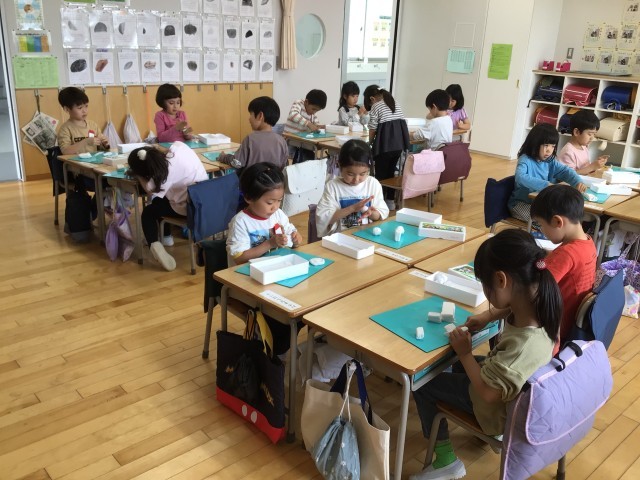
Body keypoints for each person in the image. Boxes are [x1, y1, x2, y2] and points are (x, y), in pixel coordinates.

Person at [410, 229, 559, 480]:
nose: (487, 293)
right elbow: (510, 307)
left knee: (424, 383)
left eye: (486, 287)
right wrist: (488, 315)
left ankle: (446, 461)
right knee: (456, 367)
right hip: (513, 390)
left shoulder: (522, 346)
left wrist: (465, 353)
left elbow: (488, 393)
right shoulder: (541, 298)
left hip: (494, 408)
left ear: (501, 280)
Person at [226, 162, 303, 355]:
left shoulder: (278, 215)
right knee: (279, 316)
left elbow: (293, 239)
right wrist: (269, 243)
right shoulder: (241, 222)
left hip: (276, 275)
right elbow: (240, 259)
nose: (275, 207)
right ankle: (274, 351)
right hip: (248, 281)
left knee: (302, 304)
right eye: (270, 202)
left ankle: (283, 346)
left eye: (279, 201)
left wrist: (296, 239)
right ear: (249, 198)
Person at [531, 185, 597, 343]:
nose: (541, 231)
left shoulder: (566, 254)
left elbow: (534, 292)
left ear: (557, 221)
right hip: (572, 324)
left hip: (553, 329)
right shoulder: (588, 242)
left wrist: (488, 315)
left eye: (540, 225)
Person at [127, 143, 207, 271]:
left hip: (190, 208)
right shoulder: (180, 147)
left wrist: (138, 175)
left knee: (148, 212)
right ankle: (166, 237)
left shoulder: (164, 175)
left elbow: (149, 190)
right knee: (159, 201)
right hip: (207, 201)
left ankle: (154, 244)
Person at [508, 123, 587, 224]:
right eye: (546, 145)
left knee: (562, 217)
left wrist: (578, 181)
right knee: (548, 222)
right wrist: (546, 185)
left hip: (539, 205)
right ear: (535, 144)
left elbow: (565, 171)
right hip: (520, 204)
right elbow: (520, 177)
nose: (549, 150)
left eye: (553, 146)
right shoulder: (525, 159)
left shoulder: (550, 161)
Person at [315, 139, 389, 237]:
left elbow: (380, 215)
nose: (356, 179)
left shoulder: (373, 184)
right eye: (350, 174)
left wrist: (371, 213)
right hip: (341, 238)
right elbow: (324, 219)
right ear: (340, 166)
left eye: (362, 174)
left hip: (368, 236)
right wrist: (352, 208)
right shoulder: (333, 187)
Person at [364, 84, 410, 210]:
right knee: (391, 173)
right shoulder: (394, 103)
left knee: (380, 174)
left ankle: (379, 203)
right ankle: (390, 201)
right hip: (398, 145)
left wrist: (369, 143)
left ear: (372, 99)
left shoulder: (376, 106)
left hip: (385, 145)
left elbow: (372, 128)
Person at [218, 96, 288, 176]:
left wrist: (223, 157)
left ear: (260, 116)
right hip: (273, 182)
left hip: (250, 183)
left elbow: (237, 163)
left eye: (251, 114)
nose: (249, 119)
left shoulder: (250, 139)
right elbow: (284, 166)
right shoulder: (282, 141)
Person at [57, 86, 110, 155]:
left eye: (86, 106)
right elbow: (65, 151)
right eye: (80, 108)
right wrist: (85, 141)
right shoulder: (65, 129)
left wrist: (104, 144)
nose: (84, 111)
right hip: (75, 162)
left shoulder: (93, 125)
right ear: (67, 109)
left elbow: (100, 148)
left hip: (93, 160)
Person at [557, 110, 608, 174]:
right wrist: (592, 167)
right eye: (589, 134)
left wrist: (597, 164)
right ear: (576, 132)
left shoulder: (583, 147)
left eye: (594, 134)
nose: (592, 138)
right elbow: (568, 175)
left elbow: (585, 169)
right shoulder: (568, 152)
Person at [284, 89, 327, 163]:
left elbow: (316, 123)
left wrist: (319, 126)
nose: (314, 112)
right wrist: (309, 124)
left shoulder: (312, 113)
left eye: (316, 111)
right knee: (304, 155)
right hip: (289, 140)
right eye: (313, 109)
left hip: (301, 141)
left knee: (309, 155)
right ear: (306, 102)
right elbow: (293, 115)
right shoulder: (298, 103)